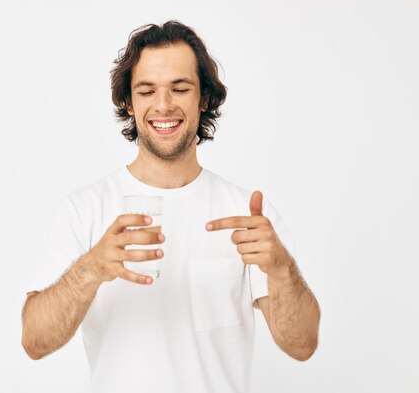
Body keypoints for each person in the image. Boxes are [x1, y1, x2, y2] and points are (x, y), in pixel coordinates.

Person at [21, 20, 320, 393]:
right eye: (147, 91)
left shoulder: (245, 212)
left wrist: (280, 268)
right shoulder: (84, 208)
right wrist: (92, 268)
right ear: (129, 102)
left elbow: (302, 344)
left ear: (204, 98)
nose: (163, 105)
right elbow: (34, 342)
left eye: (180, 88)